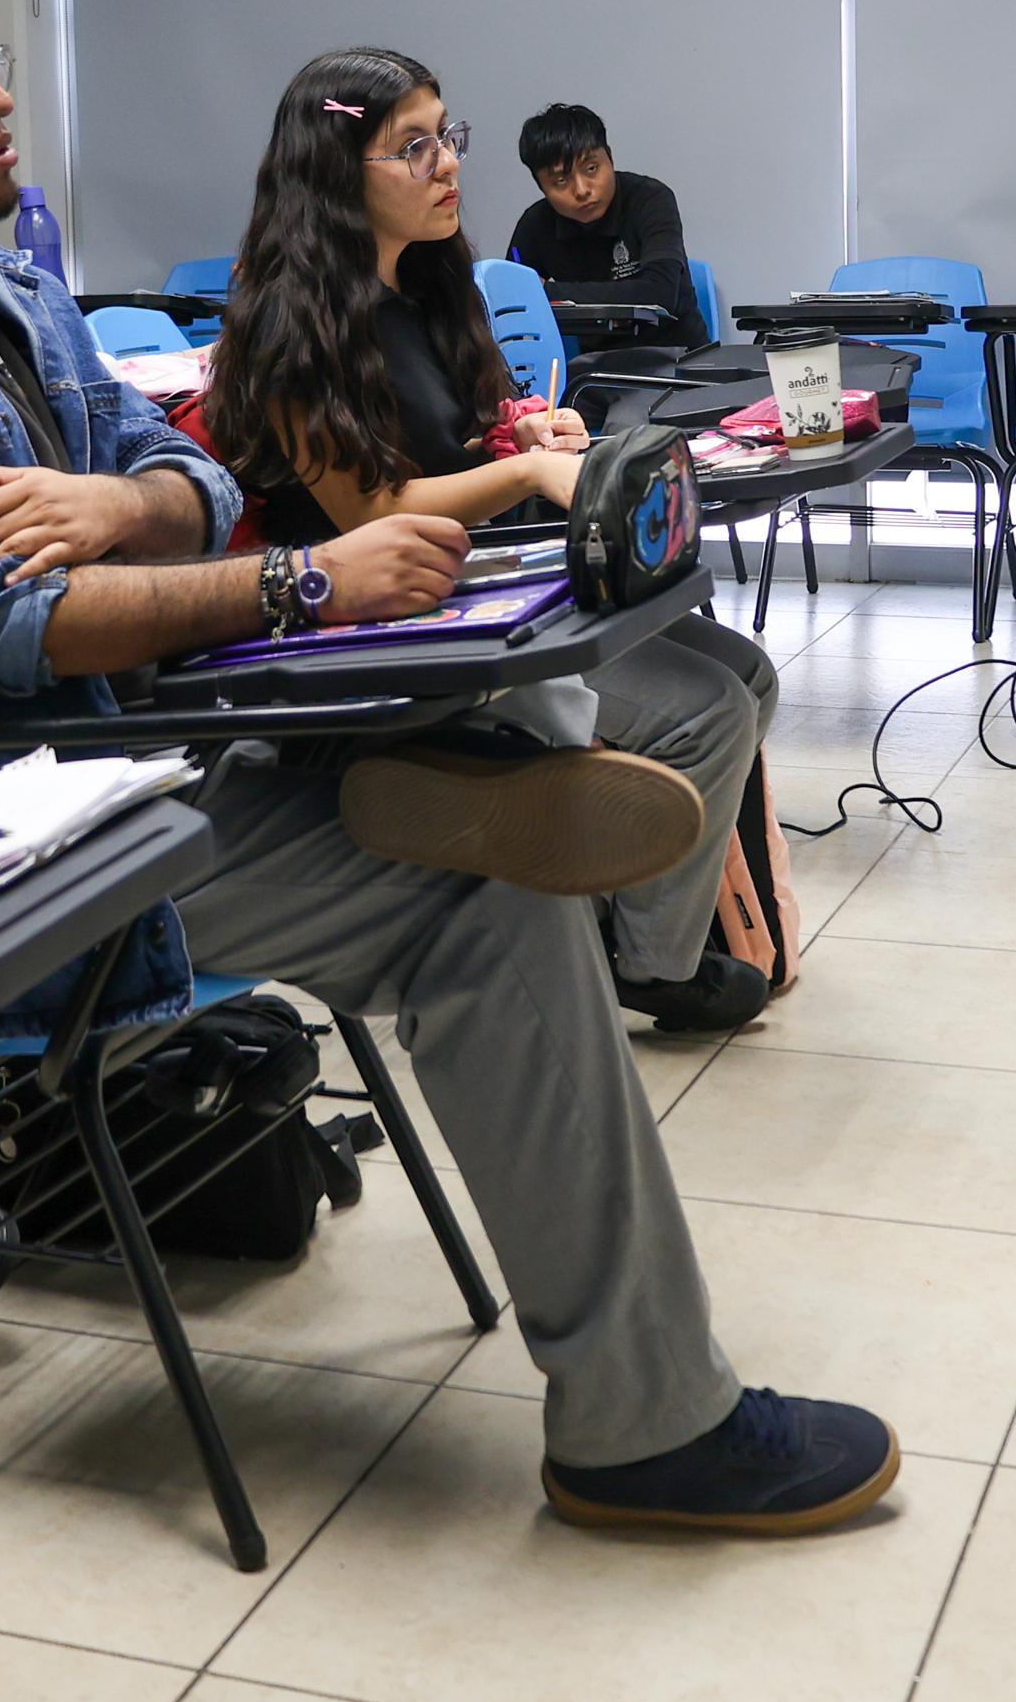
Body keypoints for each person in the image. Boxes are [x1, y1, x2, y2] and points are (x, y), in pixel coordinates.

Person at [0, 0, 898, 1537]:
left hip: (126, 769)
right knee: (482, 887)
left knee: (497, 883)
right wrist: (299, 580)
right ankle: (647, 1410)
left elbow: (193, 481)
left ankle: (639, 1400)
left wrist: (124, 501)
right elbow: (3, 624)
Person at [204, 51, 783, 1030]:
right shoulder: (285, 319)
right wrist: (521, 472)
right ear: (339, 173)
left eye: (447, 137)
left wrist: (521, 430)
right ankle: (648, 960)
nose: (447, 166)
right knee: (706, 713)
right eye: (412, 147)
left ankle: (616, 907)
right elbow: (369, 512)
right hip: (369, 613)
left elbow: (459, 432)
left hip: (473, 576)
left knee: (746, 675)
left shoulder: (433, 283)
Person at [508, 103, 703, 345]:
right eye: (560, 180)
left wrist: (547, 292)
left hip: (682, 362)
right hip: (598, 373)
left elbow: (659, 294)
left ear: (609, 157)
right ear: (541, 186)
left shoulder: (651, 199)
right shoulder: (535, 225)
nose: (581, 190)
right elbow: (511, 300)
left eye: (591, 168)